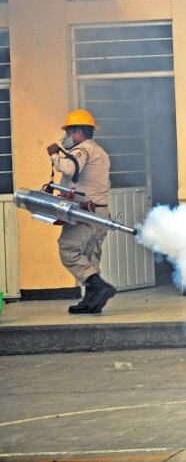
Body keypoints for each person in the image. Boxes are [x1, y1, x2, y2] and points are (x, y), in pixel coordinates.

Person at [45, 109, 117, 314]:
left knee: (68, 248)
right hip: (100, 213)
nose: (66, 137)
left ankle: (98, 287)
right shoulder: (100, 151)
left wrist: (54, 155)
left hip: (85, 213)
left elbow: (69, 169)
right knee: (90, 255)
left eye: (68, 132)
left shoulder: (82, 150)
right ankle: (92, 302)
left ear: (77, 132)